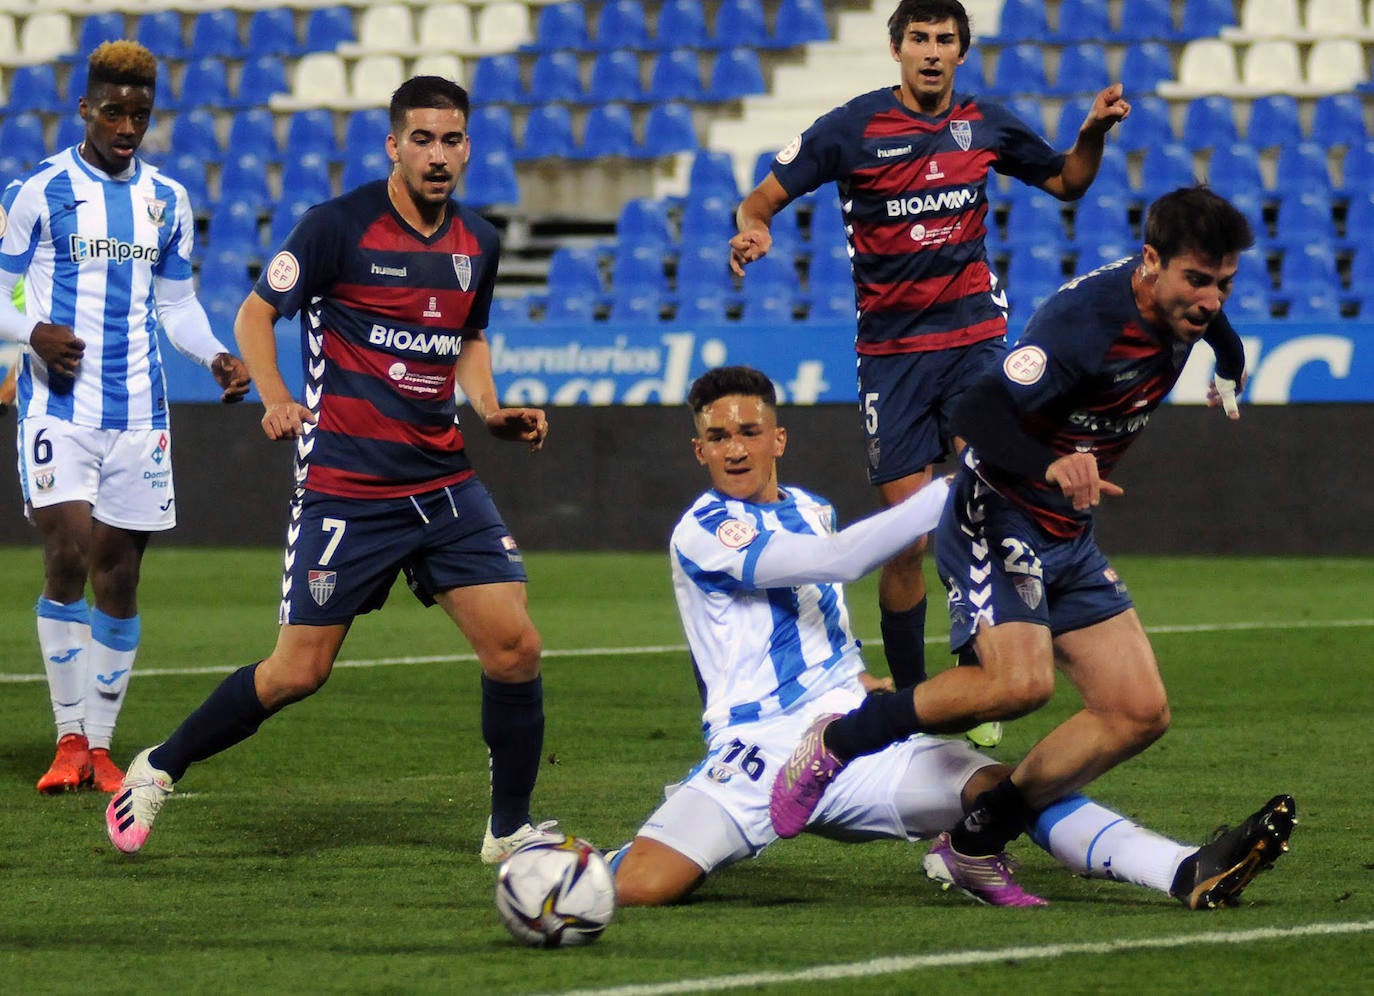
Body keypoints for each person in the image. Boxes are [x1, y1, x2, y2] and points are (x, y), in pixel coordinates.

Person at [608, 365, 1293, 909]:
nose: (736, 448)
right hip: (758, 750)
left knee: (999, 791)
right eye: (719, 437)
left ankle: (1181, 869)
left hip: (846, 733)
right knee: (643, 886)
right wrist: (954, 488)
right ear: (699, 450)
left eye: (750, 431)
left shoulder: (811, 508)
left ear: (778, 438)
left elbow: (813, 617)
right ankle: (606, 852)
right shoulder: (703, 529)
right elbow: (838, 562)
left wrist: (857, 681)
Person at [104, 76, 555, 862]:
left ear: (468, 148)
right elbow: (255, 314)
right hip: (348, 486)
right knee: (297, 673)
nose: (438, 154)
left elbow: (469, 337)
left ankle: (508, 827)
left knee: (515, 646)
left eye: (452, 140)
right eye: (422, 139)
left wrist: (488, 410)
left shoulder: (478, 241)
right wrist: (275, 398)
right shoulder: (336, 228)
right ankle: (159, 767)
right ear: (393, 145)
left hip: (445, 481)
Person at [768, 186, 1258, 901]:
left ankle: (975, 842)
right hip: (997, 511)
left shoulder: (1186, 305)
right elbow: (977, 414)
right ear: (1149, 262)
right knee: (1018, 687)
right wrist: (1052, 462)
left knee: (1137, 713)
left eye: (1224, 284)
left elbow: (1216, 329)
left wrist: (1230, 365)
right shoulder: (1083, 325)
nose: (1211, 300)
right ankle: (838, 741)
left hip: (1067, 533)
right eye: (1197, 281)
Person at [729, 0, 1130, 741]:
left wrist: (1090, 135)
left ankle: (986, 679)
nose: (933, 51)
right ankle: (915, 703)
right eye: (920, 38)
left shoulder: (985, 123)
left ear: (961, 52)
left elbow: (1068, 183)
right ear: (896, 49)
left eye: (946, 40)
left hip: (977, 344)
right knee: (908, 539)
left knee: (988, 506)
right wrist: (754, 229)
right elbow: (764, 196)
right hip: (891, 359)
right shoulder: (851, 129)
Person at [0, 40, 251, 794]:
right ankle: (68, 737)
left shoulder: (167, 201)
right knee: (70, 548)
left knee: (120, 573)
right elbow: (0, 292)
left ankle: (101, 749)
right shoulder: (38, 192)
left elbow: (175, 305)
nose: (127, 126)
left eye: (140, 114)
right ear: (86, 109)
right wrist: (29, 332)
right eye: (114, 111)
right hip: (57, 405)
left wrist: (215, 355)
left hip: (140, 411)